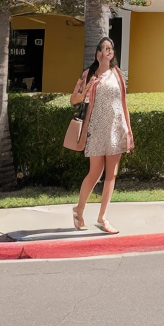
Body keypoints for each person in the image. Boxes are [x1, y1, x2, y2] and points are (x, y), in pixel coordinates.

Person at [71, 37, 133, 234]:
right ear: (98, 53)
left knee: (111, 174)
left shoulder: (118, 74)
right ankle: (79, 211)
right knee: (95, 172)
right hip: (96, 128)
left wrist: (128, 131)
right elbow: (74, 99)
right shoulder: (89, 74)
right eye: (105, 48)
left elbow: (123, 104)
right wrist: (86, 90)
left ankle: (102, 217)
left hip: (116, 128)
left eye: (111, 48)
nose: (108, 51)